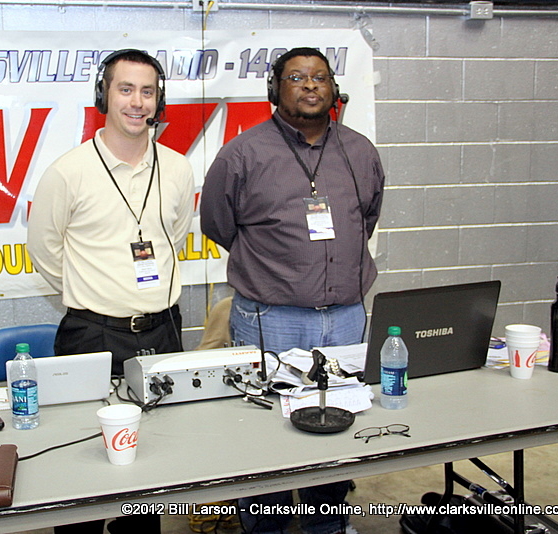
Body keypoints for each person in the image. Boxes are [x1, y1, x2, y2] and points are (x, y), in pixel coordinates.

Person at [200, 47, 385, 534]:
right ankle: (266, 526)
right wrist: (277, 264)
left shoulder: (360, 151)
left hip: (345, 316)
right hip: (271, 318)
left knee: (335, 426)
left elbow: (366, 218)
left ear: (333, 90)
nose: (310, 86)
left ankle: (326, 523)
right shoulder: (242, 154)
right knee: (268, 437)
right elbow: (218, 224)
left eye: (320, 77)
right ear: (275, 90)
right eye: (297, 77)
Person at [27, 49, 194, 534]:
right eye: (126, 89)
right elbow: (44, 250)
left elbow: (174, 236)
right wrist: (92, 291)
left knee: (147, 477)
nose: (137, 102)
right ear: (104, 95)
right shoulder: (69, 171)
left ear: (159, 100)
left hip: (162, 334)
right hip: (91, 335)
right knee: (79, 472)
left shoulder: (178, 169)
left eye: (148, 91)